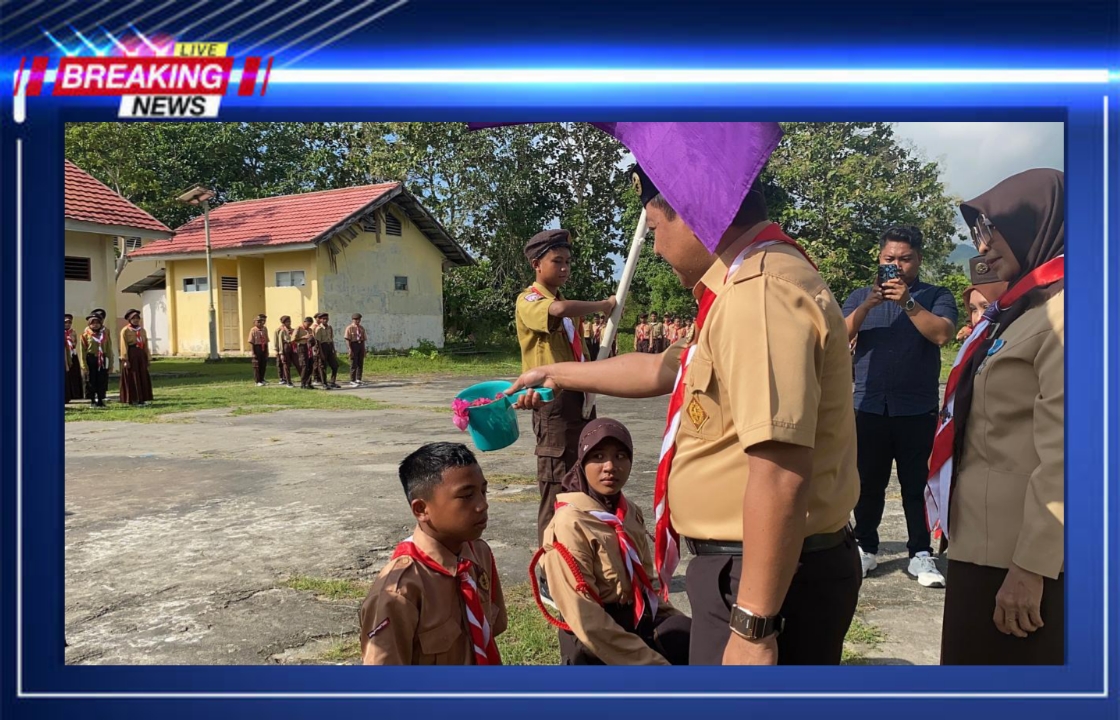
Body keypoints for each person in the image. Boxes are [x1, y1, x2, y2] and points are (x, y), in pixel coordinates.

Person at [509, 165, 861, 666]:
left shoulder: (757, 295)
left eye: (655, 228)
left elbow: (780, 471)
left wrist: (754, 625)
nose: (654, 248)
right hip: (751, 570)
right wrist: (553, 375)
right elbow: (660, 369)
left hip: (761, 578)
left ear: (694, 215)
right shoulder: (739, 289)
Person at [930, 169, 1064, 665]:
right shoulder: (1026, 311)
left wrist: (1032, 568)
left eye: (991, 231)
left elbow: (1069, 458)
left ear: (1039, 226)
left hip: (1018, 560)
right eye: (976, 235)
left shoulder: (1066, 315)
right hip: (980, 547)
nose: (981, 248)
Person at [842, 225, 957, 587]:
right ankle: (865, 546)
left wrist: (907, 301)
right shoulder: (861, 296)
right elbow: (837, 336)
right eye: (889, 259)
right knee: (867, 482)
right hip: (869, 406)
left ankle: (921, 554)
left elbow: (941, 334)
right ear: (879, 259)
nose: (897, 265)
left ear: (918, 260)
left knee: (916, 484)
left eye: (905, 259)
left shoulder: (937, 295)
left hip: (916, 408)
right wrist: (868, 305)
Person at [533, 418, 691, 665]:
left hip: (635, 620)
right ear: (582, 462)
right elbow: (586, 619)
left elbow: (647, 585)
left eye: (620, 456)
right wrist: (651, 663)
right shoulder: (569, 523)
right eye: (597, 456)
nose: (610, 466)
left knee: (691, 638)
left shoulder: (629, 513)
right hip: (593, 635)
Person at [359, 442, 506, 665]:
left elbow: (495, 626)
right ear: (421, 510)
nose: (482, 505)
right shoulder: (399, 591)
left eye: (483, 491)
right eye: (466, 496)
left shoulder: (478, 553)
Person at [515, 228, 616, 547]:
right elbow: (556, 312)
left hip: (580, 398)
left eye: (568, 262)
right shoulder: (531, 299)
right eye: (556, 261)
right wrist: (603, 304)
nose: (564, 268)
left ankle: (577, 552)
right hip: (552, 402)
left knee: (582, 478)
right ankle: (549, 560)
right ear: (536, 264)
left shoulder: (565, 304)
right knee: (556, 483)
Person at [118, 309, 154, 407]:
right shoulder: (125, 330)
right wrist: (125, 359)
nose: (136, 320)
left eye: (137, 318)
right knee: (133, 376)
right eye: (133, 318)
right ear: (129, 320)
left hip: (141, 354)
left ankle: (143, 398)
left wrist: (148, 357)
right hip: (132, 353)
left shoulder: (142, 330)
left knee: (142, 375)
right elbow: (123, 345)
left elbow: (145, 344)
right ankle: (134, 398)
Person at [78, 313, 112, 408]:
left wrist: (111, 364)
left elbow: (109, 349)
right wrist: (84, 365)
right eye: (93, 323)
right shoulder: (85, 335)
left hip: (102, 359)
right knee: (91, 380)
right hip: (91, 359)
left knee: (101, 380)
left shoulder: (104, 335)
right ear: (89, 324)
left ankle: (101, 400)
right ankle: (92, 400)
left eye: (97, 323)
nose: (95, 325)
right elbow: (83, 351)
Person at [313, 313, 341, 389]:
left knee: (335, 365)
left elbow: (331, 340)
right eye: (323, 319)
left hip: (329, 347)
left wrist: (333, 350)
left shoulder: (329, 328)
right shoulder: (319, 328)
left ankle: (332, 382)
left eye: (326, 318)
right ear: (320, 320)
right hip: (322, 347)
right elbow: (317, 342)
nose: (325, 320)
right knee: (322, 366)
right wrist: (321, 352)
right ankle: (324, 383)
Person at [292, 317, 316, 389]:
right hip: (301, 347)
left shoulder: (310, 330)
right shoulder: (298, 328)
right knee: (304, 366)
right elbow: (293, 339)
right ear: (304, 322)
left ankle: (308, 383)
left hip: (309, 348)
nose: (309, 326)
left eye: (310, 324)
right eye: (308, 324)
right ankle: (303, 383)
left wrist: (312, 339)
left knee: (310, 366)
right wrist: (303, 337)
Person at [64, 314, 83, 403]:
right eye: (65, 323)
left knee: (74, 373)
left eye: (69, 323)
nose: (67, 325)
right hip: (65, 354)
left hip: (72, 353)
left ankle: (76, 393)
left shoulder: (73, 332)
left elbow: (75, 341)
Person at [345, 313, 368, 387]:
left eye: (359, 320)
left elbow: (363, 339)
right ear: (353, 320)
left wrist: (364, 349)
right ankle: (352, 380)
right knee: (353, 363)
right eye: (356, 320)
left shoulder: (361, 328)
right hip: (353, 345)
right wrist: (350, 349)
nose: (357, 321)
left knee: (360, 362)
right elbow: (347, 339)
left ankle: (358, 379)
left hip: (360, 344)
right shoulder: (349, 328)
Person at [274, 316, 296, 388]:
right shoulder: (280, 330)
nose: (289, 323)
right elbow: (278, 341)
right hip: (283, 348)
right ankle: (284, 379)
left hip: (291, 348)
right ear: (283, 323)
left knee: (289, 364)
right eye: (287, 322)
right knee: (282, 364)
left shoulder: (292, 330)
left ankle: (286, 378)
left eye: (290, 321)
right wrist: (278, 351)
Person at [248, 314, 270, 387]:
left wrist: (267, 351)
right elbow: (251, 342)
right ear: (255, 322)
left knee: (263, 364)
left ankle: (262, 379)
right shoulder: (253, 330)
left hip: (263, 347)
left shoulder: (264, 329)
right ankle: (257, 381)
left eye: (261, 322)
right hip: (257, 347)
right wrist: (253, 352)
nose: (260, 323)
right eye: (258, 322)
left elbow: (266, 340)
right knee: (257, 365)